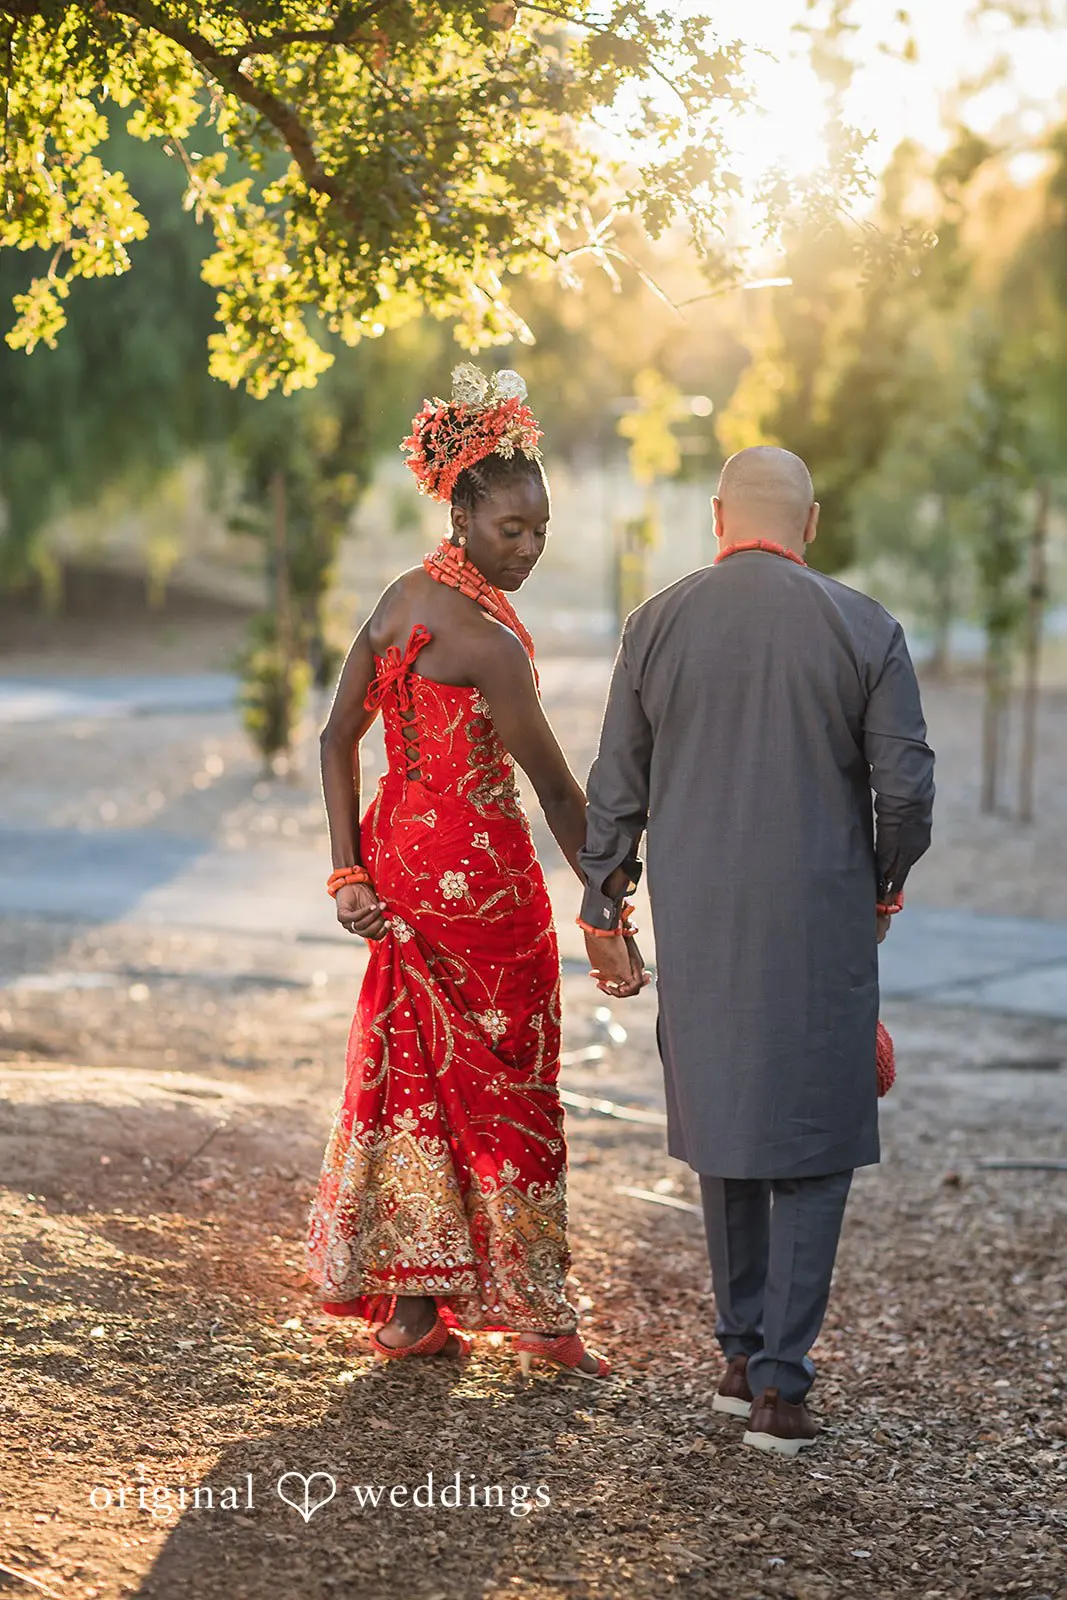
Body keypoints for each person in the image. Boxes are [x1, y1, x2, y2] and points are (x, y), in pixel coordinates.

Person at [578, 445, 935, 1453]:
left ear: (716, 515)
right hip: (821, 912)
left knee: (723, 1114)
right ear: (810, 523)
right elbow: (903, 785)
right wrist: (883, 881)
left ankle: (737, 1357)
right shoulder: (866, 627)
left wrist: (605, 900)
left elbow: (616, 785)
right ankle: (782, 1385)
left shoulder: (654, 625)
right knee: (815, 1139)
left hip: (699, 916)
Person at [305, 365, 640, 1377]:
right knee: (511, 1082)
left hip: (402, 864)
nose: (529, 547)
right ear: (462, 514)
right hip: (481, 884)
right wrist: (607, 894)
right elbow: (552, 786)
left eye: (540, 530)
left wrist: (349, 873)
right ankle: (538, 1317)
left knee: (416, 1068)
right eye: (512, 532)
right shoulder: (489, 641)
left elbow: (334, 741)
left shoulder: (398, 601)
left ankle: (413, 1311)